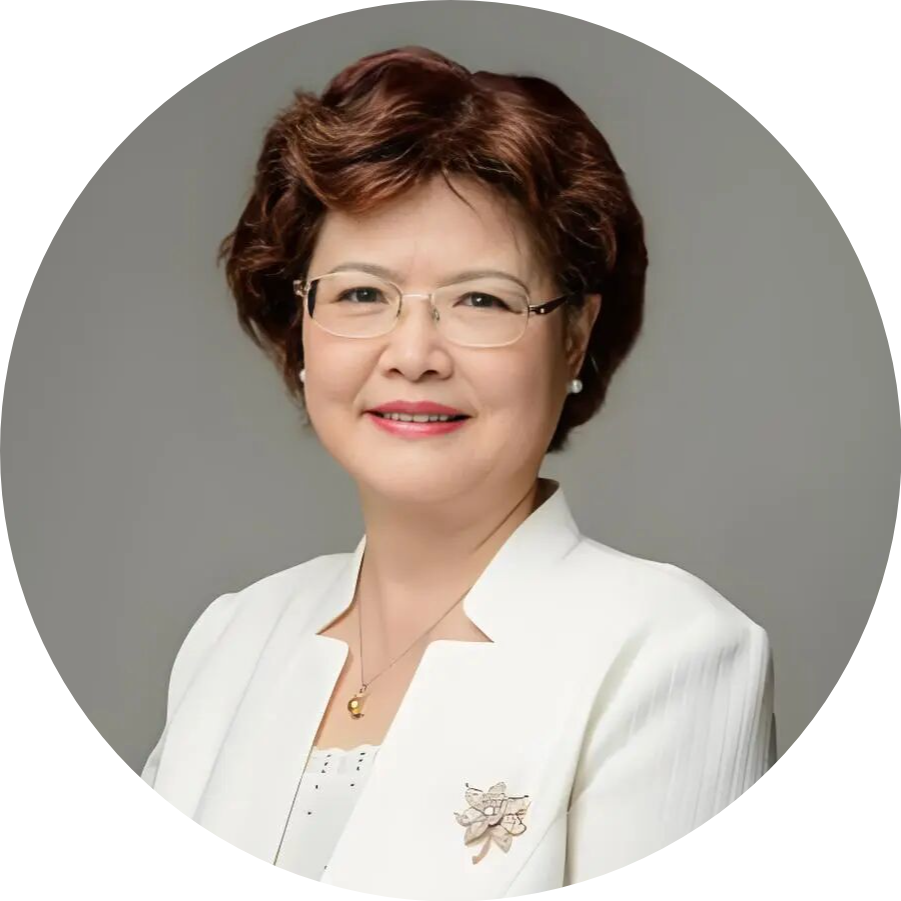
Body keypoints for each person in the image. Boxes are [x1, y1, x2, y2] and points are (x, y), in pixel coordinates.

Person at [141, 46, 776, 898]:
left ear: (574, 336)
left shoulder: (671, 652)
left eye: (481, 299)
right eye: (361, 294)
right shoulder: (231, 637)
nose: (412, 354)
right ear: (301, 324)